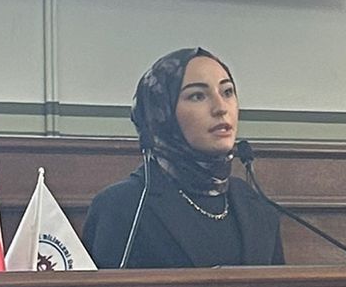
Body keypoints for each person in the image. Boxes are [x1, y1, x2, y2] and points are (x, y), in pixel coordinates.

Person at [84, 47, 284, 269]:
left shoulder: (257, 207)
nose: (220, 108)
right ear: (161, 112)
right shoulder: (123, 206)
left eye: (227, 92)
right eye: (197, 96)